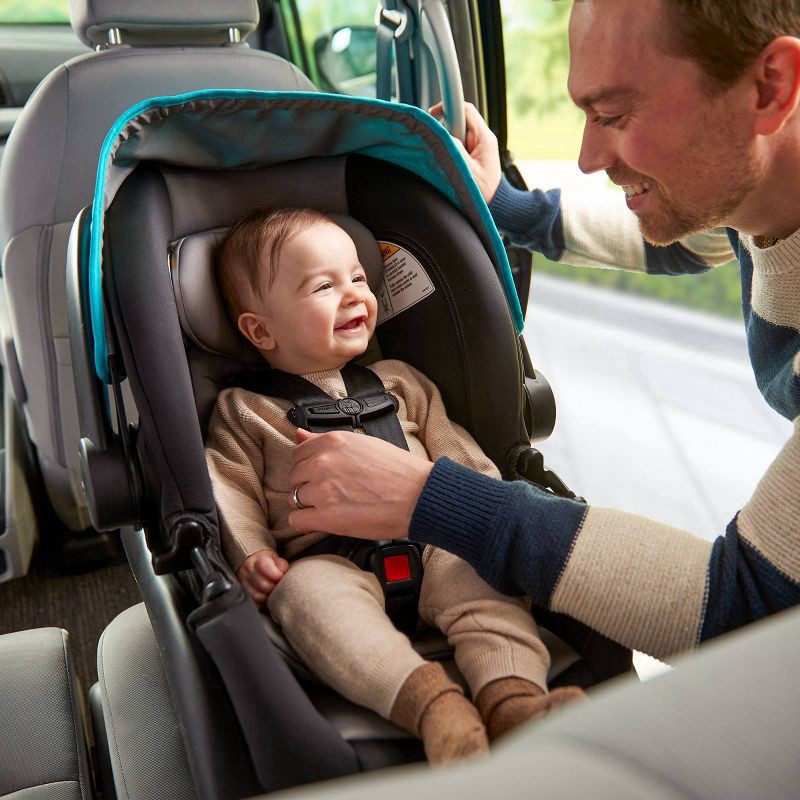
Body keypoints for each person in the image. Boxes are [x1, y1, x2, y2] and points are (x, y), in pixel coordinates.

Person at [286, 0, 800, 664]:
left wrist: (426, 497)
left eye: (614, 115)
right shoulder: (760, 194)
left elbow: (748, 608)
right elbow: (687, 240)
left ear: (771, 87)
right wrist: (505, 204)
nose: (586, 157)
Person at [204, 207, 583, 766]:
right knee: (305, 597)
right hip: (324, 558)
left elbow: (459, 455)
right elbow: (230, 485)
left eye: (359, 278)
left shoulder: (402, 383)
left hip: (432, 538)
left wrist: (487, 512)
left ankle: (513, 699)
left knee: (480, 574)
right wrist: (253, 553)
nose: (354, 295)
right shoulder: (246, 409)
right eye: (324, 286)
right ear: (261, 330)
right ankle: (434, 708)